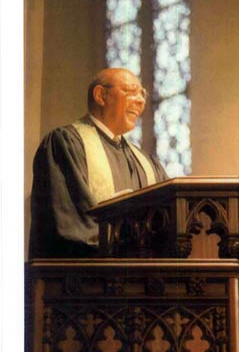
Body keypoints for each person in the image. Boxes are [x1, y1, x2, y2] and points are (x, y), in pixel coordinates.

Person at [29, 68, 168, 258]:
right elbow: (72, 224)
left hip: (146, 281)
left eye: (142, 93)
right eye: (131, 91)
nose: (141, 101)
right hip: (85, 281)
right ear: (101, 96)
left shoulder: (146, 162)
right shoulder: (66, 143)